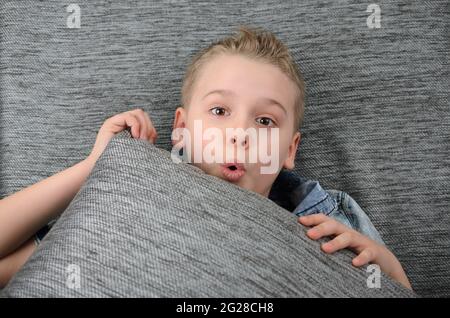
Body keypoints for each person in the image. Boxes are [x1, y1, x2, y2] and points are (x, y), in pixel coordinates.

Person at [0, 26, 412, 290]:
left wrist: (391, 270)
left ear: (289, 150)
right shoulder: (130, 197)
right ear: (182, 129)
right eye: (219, 112)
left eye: (265, 120)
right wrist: (95, 169)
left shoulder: (329, 221)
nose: (239, 134)